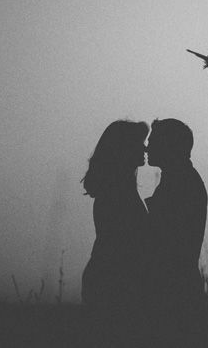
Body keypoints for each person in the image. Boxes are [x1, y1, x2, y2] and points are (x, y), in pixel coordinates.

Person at [81, 119, 150, 340]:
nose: (145, 147)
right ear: (125, 149)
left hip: (109, 280)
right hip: (114, 284)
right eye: (140, 143)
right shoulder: (117, 192)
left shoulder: (118, 188)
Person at [145, 118, 208, 321]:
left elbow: (167, 243)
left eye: (153, 142)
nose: (147, 148)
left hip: (174, 293)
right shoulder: (177, 178)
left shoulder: (182, 182)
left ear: (168, 145)